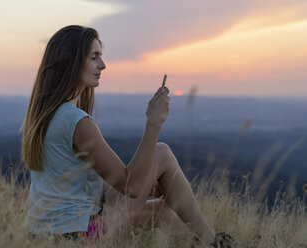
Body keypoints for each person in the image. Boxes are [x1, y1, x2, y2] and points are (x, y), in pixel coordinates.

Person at [21, 25, 233, 247]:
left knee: (160, 211)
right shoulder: (77, 122)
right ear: (72, 62)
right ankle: (214, 243)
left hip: (45, 237)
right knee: (161, 152)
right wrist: (153, 122)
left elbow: (78, 181)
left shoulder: (45, 115)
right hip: (84, 237)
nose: (102, 65)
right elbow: (130, 186)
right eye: (94, 58)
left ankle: (208, 243)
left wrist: (147, 183)